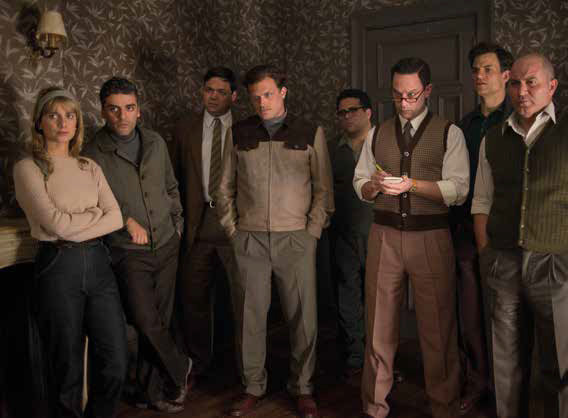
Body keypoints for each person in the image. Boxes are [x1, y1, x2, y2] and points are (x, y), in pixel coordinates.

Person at [353, 57, 469, 418]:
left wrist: (412, 185)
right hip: (384, 236)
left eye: (412, 95)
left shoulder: (450, 133)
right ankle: (375, 406)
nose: (404, 103)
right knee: (378, 326)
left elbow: (459, 189)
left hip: (431, 237)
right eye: (397, 95)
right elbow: (360, 182)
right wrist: (372, 186)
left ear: (428, 91)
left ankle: (444, 406)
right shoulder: (377, 132)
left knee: (438, 327)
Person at [217, 64, 334, 418]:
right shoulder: (238, 133)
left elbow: (323, 190)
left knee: (303, 318)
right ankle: (252, 386)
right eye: (255, 97)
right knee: (249, 317)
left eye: (267, 94)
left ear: (283, 92)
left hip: (296, 238)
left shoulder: (309, 132)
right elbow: (224, 187)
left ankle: (303, 387)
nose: (261, 103)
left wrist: (311, 234)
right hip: (249, 239)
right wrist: (234, 231)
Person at [13, 86, 127, 417]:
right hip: (58, 265)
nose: (63, 123)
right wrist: (95, 216)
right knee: (66, 367)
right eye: (54, 115)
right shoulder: (28, 168)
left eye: (70, 115)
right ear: (39, 122)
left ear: (77, 122)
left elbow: (116, 217)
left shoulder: (89, 166)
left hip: (99, 263)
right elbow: (55, 225)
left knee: (115, 360)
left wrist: (81, 222)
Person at [83, 77, 190, 413]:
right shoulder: (91, 154)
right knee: (145, 320)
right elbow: (92, 206)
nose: (122, 116)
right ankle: (180, 367)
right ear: (103, 111)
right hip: (127, 252)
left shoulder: (155, 142)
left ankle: (152, 392)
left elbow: (171, 188)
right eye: (114, 109)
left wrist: (177, 225)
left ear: (138, 110)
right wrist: (126, 220)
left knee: (161, 320)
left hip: (167, 244)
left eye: (129, 108)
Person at [472, 53, 566, 418]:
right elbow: (482, 201)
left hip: (555, 263)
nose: (522, 91)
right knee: (506, 363)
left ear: (551, 87)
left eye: (531, 83)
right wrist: (486, 254)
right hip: (503, 262)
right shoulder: (493, 138)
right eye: (515, 83)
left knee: (559, 365)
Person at [452, 42, 513, 414]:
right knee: (470, 312)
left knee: (507, 314)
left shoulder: (517, 118)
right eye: (475, 69)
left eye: (487, 69)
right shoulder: (465, 126)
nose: (479, 75)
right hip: (464, 232)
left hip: (506, 233)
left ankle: (510, 389)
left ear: (505, 75)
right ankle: (477, 383)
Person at [172, 67, 239, 379]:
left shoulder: (246, 129)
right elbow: (173, 178)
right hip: (197, 225)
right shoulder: (185, 127)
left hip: (235, 225)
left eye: (221, 92)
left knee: (239, 299)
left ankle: (242, 366)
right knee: (194, 297)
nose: (213, 97)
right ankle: (199, 363)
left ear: (234, 96)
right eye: (208, 90)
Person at [329, 89, 374, 377]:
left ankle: (381, 359)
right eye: (342, 112)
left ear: (368, 112)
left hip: (380, 232)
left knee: (380, 299)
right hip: (343, 234)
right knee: (348, 296)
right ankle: (356, 357)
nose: (346, 116)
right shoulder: (332, 149)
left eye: (352, 110)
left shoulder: (384, 143)